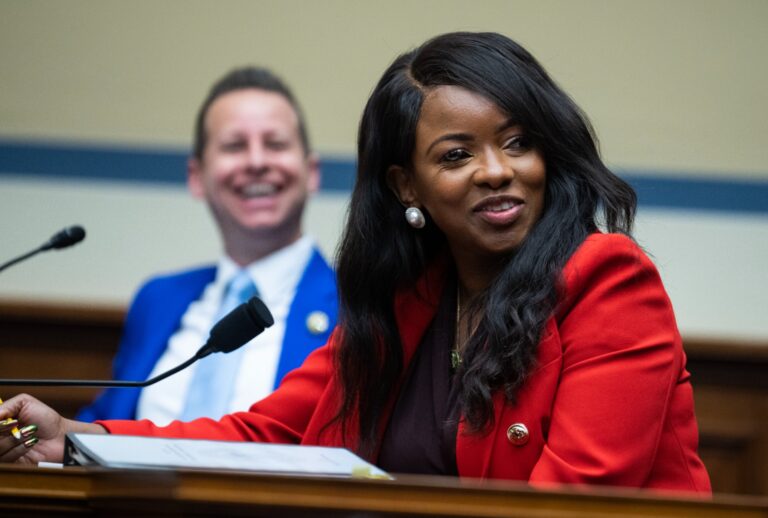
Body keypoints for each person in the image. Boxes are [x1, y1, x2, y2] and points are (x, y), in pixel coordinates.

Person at [1, 32, 710, 492]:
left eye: (519, 142)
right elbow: (263, 435)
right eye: (456, 155)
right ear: (407, 186)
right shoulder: (407, 302)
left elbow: (568, 505)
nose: (497, 171)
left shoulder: (607, 281)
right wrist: (78, 439)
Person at [76, 66, 339, 424]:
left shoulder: (357, 303)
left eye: (275, 144)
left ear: (312, 172)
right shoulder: (158, 299)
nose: (257, 162)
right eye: (234, 146)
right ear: (197, 177)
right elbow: (103, 421)